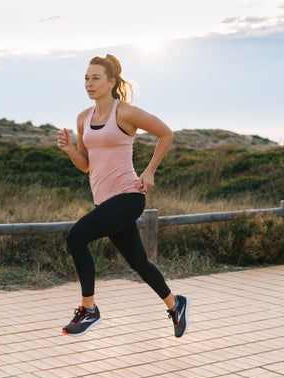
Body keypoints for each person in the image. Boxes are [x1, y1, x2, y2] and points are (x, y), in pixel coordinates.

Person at [57, 54, 190, 338]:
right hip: (105, 202)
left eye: (95, 78)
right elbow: (86, 165)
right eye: (86, 78)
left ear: (111, 82)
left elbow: (166, 134)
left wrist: (150, 171)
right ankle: (174, 304)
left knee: (76, 237)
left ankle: (88, 309)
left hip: (129, 197)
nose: (89, 83)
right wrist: (69, 149)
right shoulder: (84, 118)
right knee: (138, 262)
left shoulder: (125, 113)